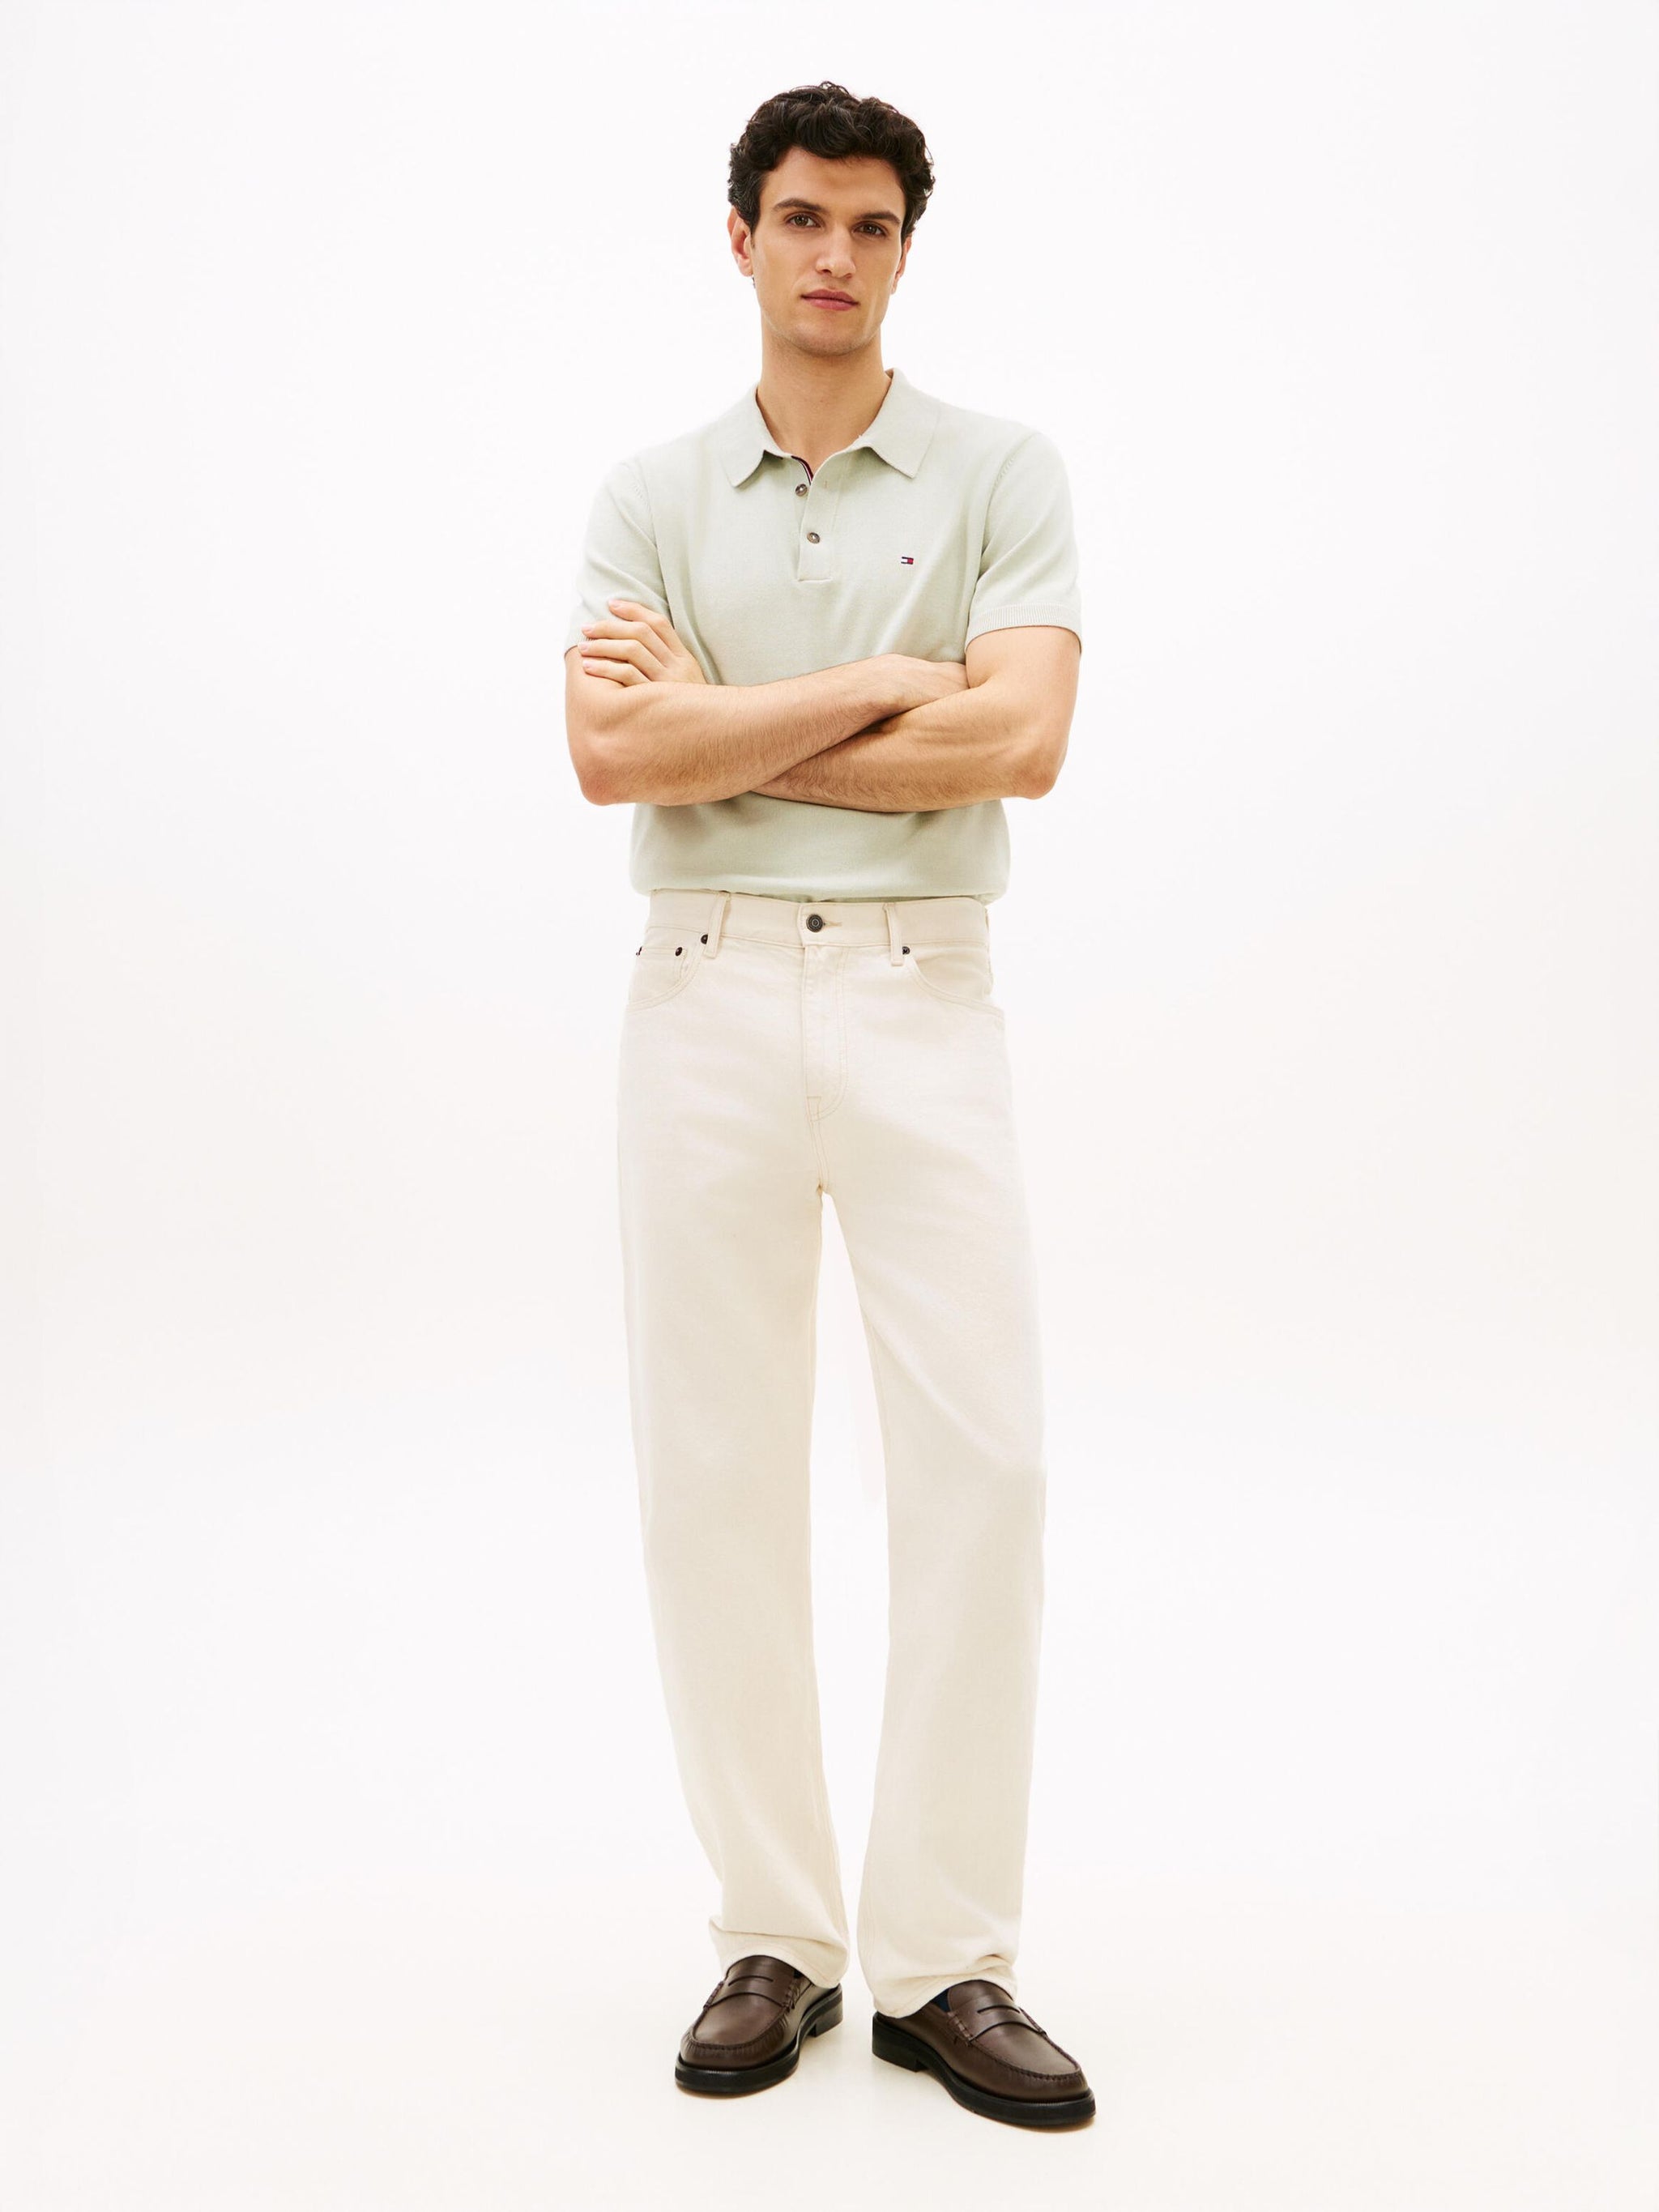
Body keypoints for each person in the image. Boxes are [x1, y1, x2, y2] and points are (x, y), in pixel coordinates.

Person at [561, 80, 1091, 2131]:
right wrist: (890, 681)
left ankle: (946, 1959)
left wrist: (725, 723)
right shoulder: (647, 494)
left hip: (917, 992)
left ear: (903, 249)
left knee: (988, 1464)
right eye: (801, 217)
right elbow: (613, 760)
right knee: (713, 1470)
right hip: (698, 993)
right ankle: (772, 1932)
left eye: (870, 224)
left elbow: (1021, 742)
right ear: (741, 235)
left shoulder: (1000, 470)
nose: (835, 255)